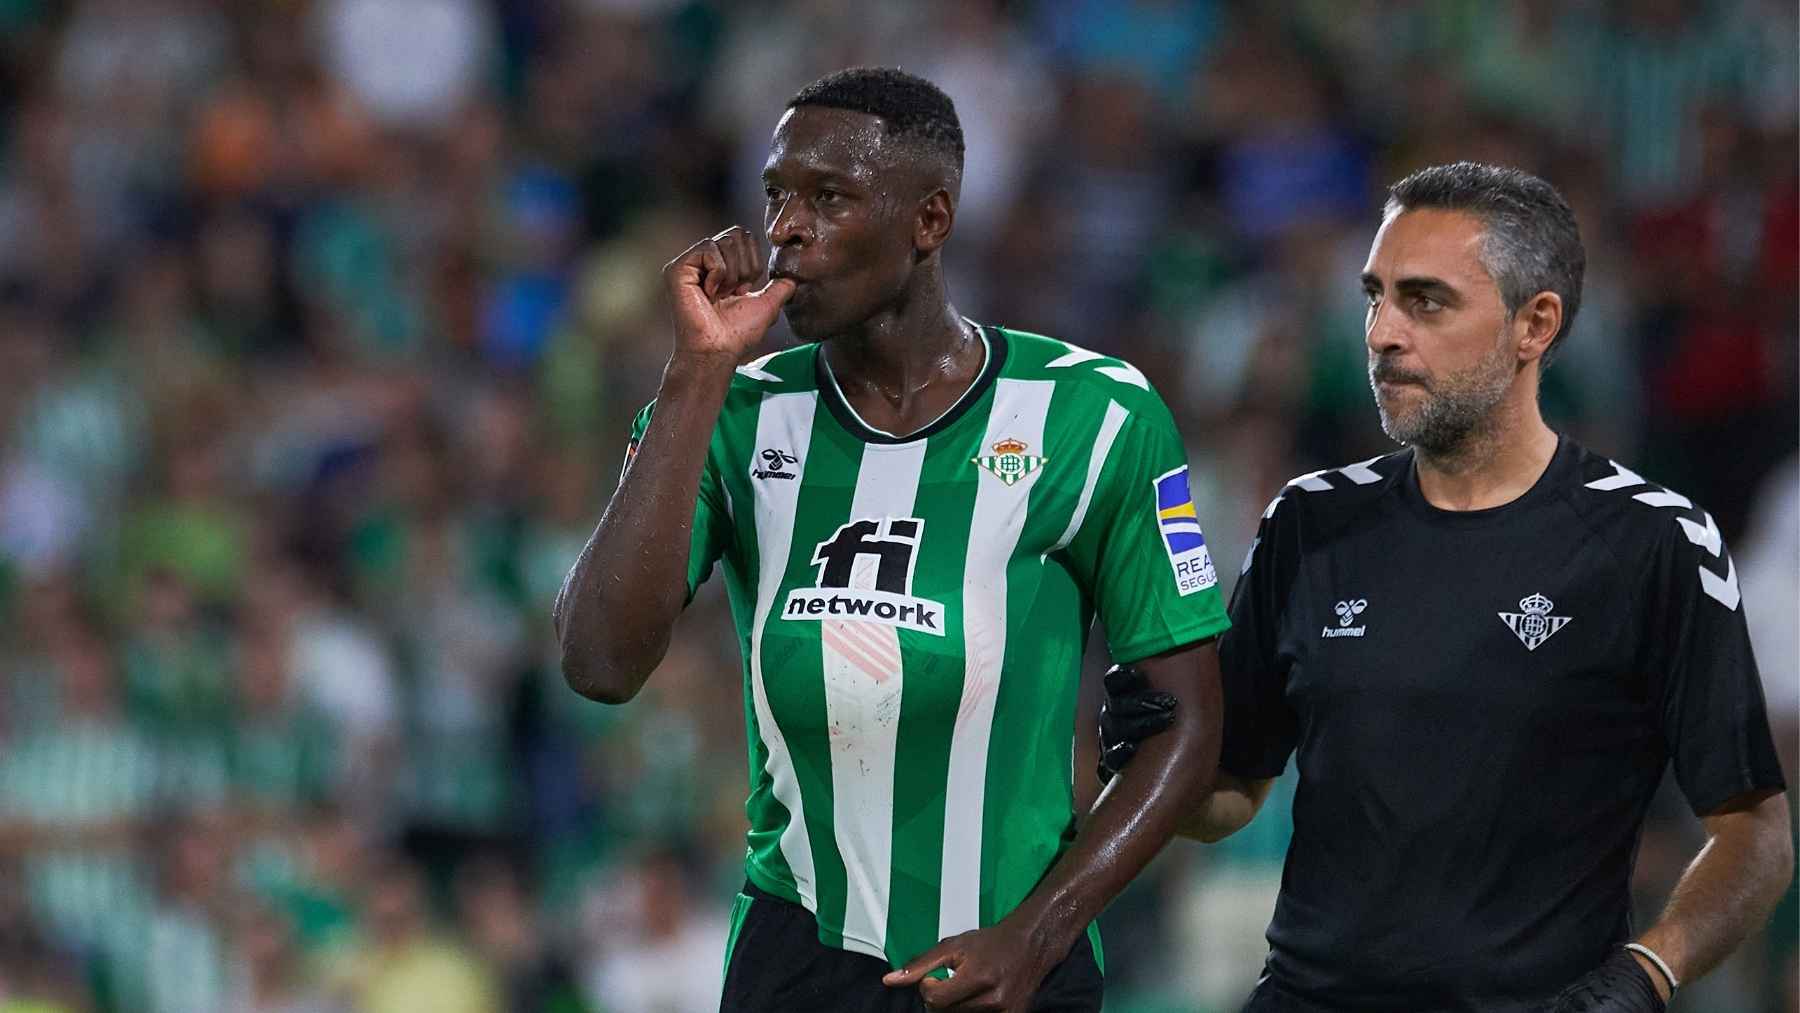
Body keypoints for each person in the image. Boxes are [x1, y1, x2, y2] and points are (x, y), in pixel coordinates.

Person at [553, 67, 1231, 1013]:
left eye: (829, 198)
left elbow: (1189, 727)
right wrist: (695, 373)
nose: (788, 228)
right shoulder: (738, 416)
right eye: (777, 196)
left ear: (931, 219)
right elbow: (599, 662)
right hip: (796, 962)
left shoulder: (1095, 414)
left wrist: (1036, 937)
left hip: (1014, 968)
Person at [1099, 162, 1793, 1012]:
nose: (1382, 332)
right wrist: (1158, 751)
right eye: (1375, 296)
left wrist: (1646, 972)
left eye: (1425, 301)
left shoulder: (1654, 541)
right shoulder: (1306, 523)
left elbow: (1754, 831)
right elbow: (1232, 796)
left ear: (1535, 323)